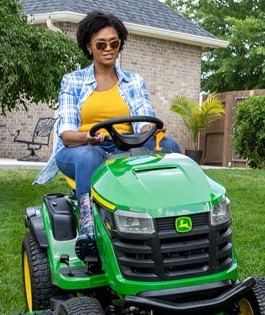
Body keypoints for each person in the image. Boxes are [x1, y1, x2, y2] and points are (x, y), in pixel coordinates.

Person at [33, 11, 181, 249]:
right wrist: (87, 137)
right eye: (101, 44)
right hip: (81, 147)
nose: (108, 49)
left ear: (120, 43)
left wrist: (151, 128)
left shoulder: (134, 81)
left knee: (170, 146)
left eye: (114, 43)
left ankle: (173, 218)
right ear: (89, 47)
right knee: (89, 156)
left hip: (126, 144)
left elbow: (144, 117)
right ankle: (89, 230)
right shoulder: (72, 81)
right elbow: (67, 135)